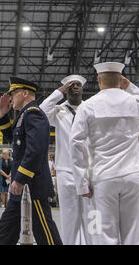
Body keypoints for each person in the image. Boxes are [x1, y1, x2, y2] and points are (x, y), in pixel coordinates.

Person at [70, 62, 139, 245]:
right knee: (133, 235)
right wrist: (130, 87)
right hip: (131, 177)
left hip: (101, 179)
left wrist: (81, 183)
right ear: (120, 80)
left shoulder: (87, 106)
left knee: (100, 233)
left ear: (99, 80)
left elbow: (75, 143)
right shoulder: (135, 102)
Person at [0, 77, 62, 245]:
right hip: (22, 186)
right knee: (7, 229)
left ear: (24, 93)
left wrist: (21, 179)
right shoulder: (24, 115)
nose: (10, 98)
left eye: (13, 93)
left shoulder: (33, 113)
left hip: (32, 184)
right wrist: (3, 115)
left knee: (44, 230)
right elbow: (14, 139)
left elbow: (35, 150)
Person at [40, 74, 90, 245]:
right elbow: (41, 111)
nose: (75, 87)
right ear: (66, 89)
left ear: (83, 89)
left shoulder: (90, 108)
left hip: (88, 170)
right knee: (69, 216)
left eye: (78, 85)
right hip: (66, 170)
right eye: (71, 85)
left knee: (91, 217)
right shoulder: (59, 110)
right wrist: (58, 92)